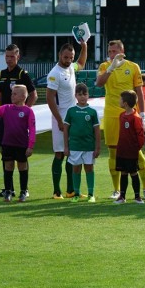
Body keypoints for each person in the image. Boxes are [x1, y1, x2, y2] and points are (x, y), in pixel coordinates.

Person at [96, 40, 145, 200]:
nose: (111, 54)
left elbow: (139, 92)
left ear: (122, 51)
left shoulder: (133, 67)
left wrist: (142, 115)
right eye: (109, 51)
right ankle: (116, 189)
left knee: (136, 152)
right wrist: (111, 67)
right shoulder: (104, 66)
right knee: (113, 152)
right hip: (112, 115)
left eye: (114, 51)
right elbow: (99, 83)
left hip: (131, 115)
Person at [0, 44, 37, 198]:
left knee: (21, 156)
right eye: (7, 56)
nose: (9, 59)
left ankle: (24, 189)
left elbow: (33, 94)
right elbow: (1, 97)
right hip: (6, 119)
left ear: (18, 57)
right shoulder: (1, 74)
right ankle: (8, 188)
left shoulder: (22, 74)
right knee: (5, 153)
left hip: (18, 121)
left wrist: (24, 112)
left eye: (12, 56)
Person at [46, 40, 88, 199]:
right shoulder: (54, 74)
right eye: (66, 57)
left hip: (73, 118)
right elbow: (50, 99)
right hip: (60, 118)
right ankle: (56, 191)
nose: (69, 60)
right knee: (59, 154)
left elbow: (81, 63)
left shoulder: (71, 67)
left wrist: (84, 46)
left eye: (71, 57)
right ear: (59, 55)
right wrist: (59, 120)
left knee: (73, 154)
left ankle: (71, 190)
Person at [0, 85, 35, 203]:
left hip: (22, 145)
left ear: (23, 96)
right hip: (7, 144)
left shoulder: (28, 111)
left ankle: (23, 191)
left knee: (22, 167)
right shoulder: (6, 108)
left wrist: (30, 146)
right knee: (8, 166)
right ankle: (8, 191)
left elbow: (32, 130)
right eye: (12, 94)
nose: (12, 96)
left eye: (15, 94)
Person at [63, 83, 100, 203]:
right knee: (76, 169)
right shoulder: (71, 111)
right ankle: (76, 194)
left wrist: (97, 147)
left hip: (89, 146)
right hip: (75, 146)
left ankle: (91, 194)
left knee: (89, 168)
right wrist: (66, 147)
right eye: (80, 95)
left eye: (85, 94)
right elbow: (66, 129)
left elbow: (97, 131)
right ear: (76, 96)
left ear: (88, 95)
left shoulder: (92, 112)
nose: (82, 97)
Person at [113, 90, 145, 204]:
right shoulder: (121, 115)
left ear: (125, 103)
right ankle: (122, 196)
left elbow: (140, 134)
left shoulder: (135, 117)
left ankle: (137, 197)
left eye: (120, 99)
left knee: (133, 172)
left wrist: (137, 147)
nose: (119, 101)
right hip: (122, 150)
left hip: (131, 151)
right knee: (123, 172)